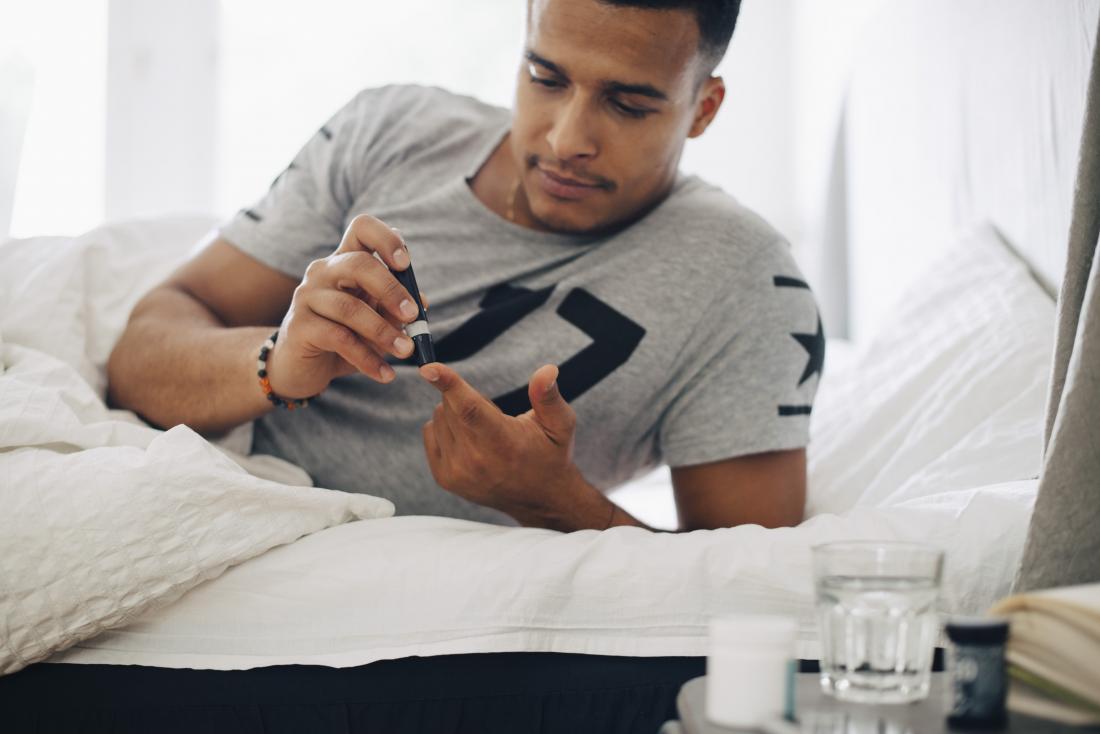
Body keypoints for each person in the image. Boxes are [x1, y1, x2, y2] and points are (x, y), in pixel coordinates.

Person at [107, 0, 823, 532]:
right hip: (201, 510)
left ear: (703, 108)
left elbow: (746, 598)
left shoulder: (749, 285)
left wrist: (556, 502)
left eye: (628, 104)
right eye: (546, 77)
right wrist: (275, 362)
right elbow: (137, 355)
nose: (568, 138)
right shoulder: (387, 132)